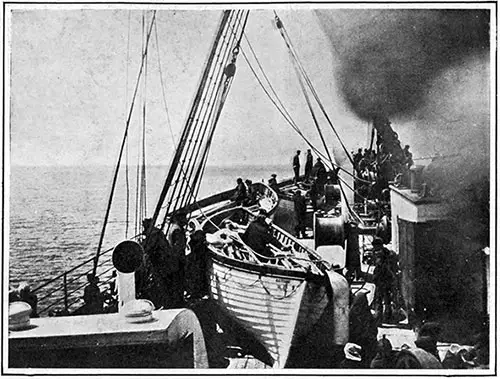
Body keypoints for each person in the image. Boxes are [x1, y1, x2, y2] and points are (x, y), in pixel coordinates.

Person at [372, 237, 397, 323]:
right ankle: (388, 317)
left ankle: (379, 319)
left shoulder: (379, 254)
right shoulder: (388, 252)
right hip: (388, 279)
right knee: (387, 300)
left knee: (378, 300)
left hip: (381, 280)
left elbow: (379, 267)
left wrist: (375, 277)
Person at [166, 212, 189, 308]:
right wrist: (183, 260)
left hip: (173, 259)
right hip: (177, 261)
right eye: (183, 218)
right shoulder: (177, 230)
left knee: (176, 281)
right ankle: (179, 302)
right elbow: (178, 248)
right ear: (177, 218)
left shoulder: (173, 227)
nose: (186, 220)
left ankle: (177, 301)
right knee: (179, 281)